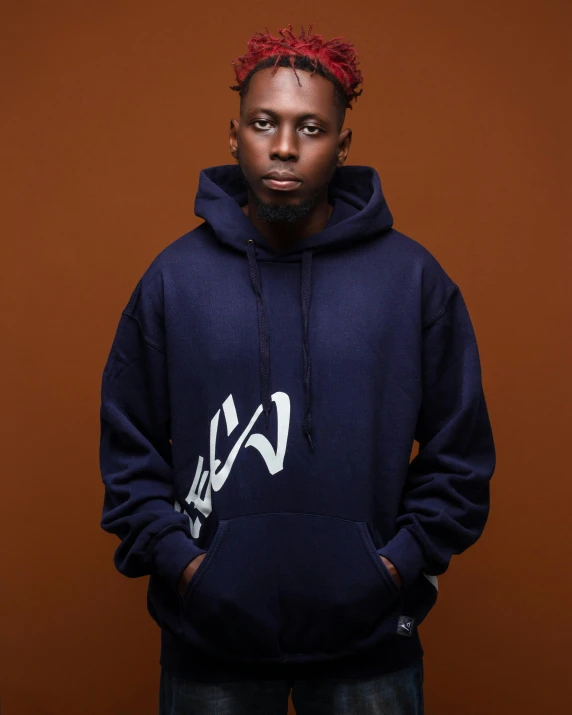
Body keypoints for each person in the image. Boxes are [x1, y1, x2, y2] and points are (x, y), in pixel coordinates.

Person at [99, 24, 496, 715]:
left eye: (310, 127)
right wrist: (186, 568)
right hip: (210, 637)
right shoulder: (174, 279)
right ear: (234, 135)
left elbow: (460, 455)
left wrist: (392, 566)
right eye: (265, 123)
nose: (284, 147)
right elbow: (128, 448)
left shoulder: (412, 281)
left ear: (342, 145)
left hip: (370, 639)